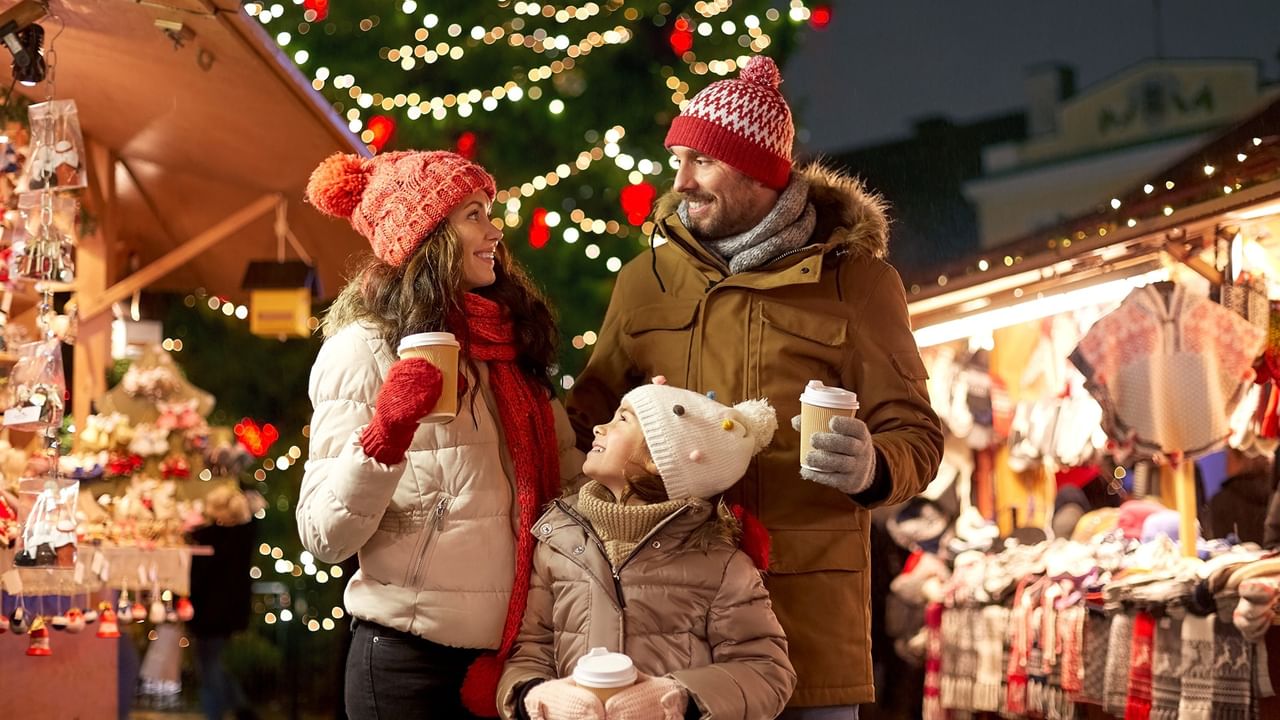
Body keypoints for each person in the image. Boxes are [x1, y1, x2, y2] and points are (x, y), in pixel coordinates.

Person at [566, 56, 944, 718]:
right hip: (670, 629)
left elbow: (916, 434)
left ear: (759, 171)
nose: (679, 181)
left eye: (700, 163)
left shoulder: (857, 284)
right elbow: (584, 426)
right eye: (677, 160)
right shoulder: (643, 281)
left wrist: (873, 467)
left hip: (803, 627)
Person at [298, 150, 582, 719]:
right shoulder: (362, 351)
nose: (494, 230)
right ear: (427, 238)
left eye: (489, 211)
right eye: (473, 214)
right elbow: (323, 536)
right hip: (409, 665)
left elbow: (568, 489)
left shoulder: (512, 343)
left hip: (519, 661)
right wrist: (387, 433)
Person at [499, 378, 797, 720]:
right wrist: (534, 697)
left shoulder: (721, 564)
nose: (599, 427)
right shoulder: (558, 542)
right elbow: (532, 650)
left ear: (660, 457)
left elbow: (766, 671)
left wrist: (679, 698)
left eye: (622, 419)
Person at [188, 485, 258, 720]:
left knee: (210, 669)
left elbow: (197, 577)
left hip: (208, 612)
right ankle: (241, 706)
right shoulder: (245, 536)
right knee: (218, 664)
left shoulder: (207, 538)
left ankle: (220, 713)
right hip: (232, 612)